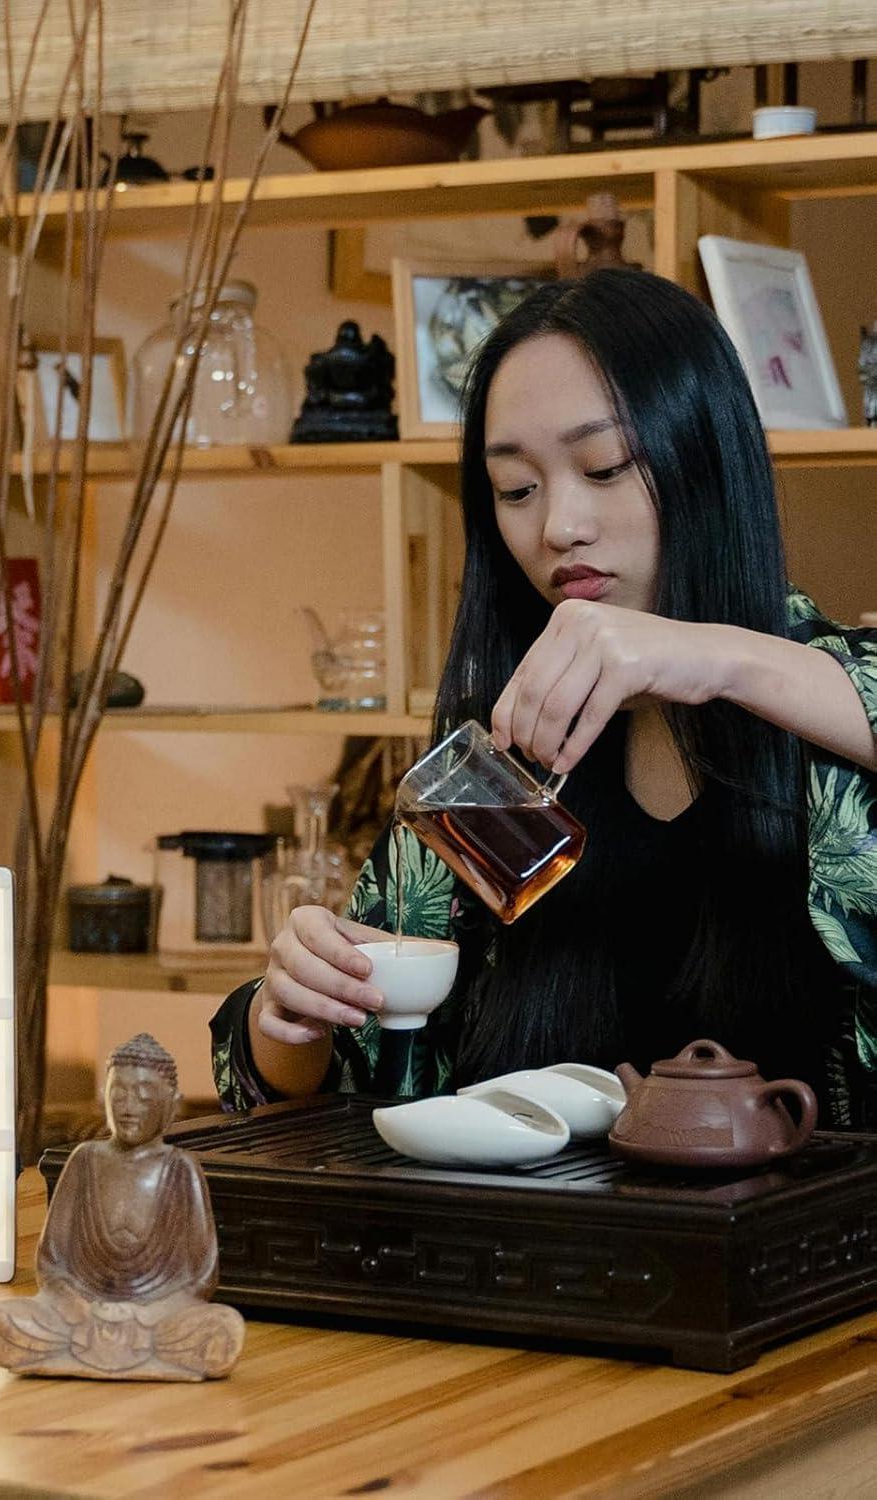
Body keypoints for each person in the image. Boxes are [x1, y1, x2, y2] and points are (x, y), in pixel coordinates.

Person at [212, 268, 877, 1127]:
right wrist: (292, 1015)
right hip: (547, 1249)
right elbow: (348, 1061)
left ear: (706, 462)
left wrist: (716, 658)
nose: (559, 525)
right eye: (517, 490)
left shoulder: (819, 703)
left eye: (604, 467)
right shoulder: (505, 751)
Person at [0, 1033, 243, 1380]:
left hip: (159, 1317)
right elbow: (51, 1263)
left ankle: (93, 1353)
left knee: (221, 1328)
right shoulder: (85, 1159)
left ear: (172, 1104)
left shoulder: (180, 1168)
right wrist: (81, 1307)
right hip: (80, 1313)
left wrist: (145, 1315)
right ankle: (130, 1355)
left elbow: (201, 1275)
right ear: (103, 1096)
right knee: (2, 1321)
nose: (128, 1105)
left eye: (144, 1094)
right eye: (118, 1093)